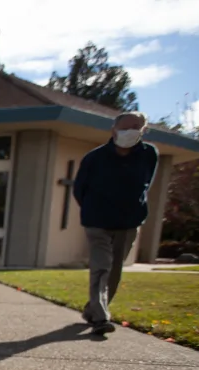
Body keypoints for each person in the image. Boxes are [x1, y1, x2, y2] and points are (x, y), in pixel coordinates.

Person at [73, 111, 158, 335]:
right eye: (126, 126)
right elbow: (79, 189)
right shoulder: (95, 158)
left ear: (143, 130)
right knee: (101, 268)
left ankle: (93, 310)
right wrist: (94, 209)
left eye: (137, 127)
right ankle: (101, 319)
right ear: (114, 130)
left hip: (128, 222)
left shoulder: (149, 154)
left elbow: (145, 184)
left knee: (114, 273)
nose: (131, 131)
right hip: (97, 221)